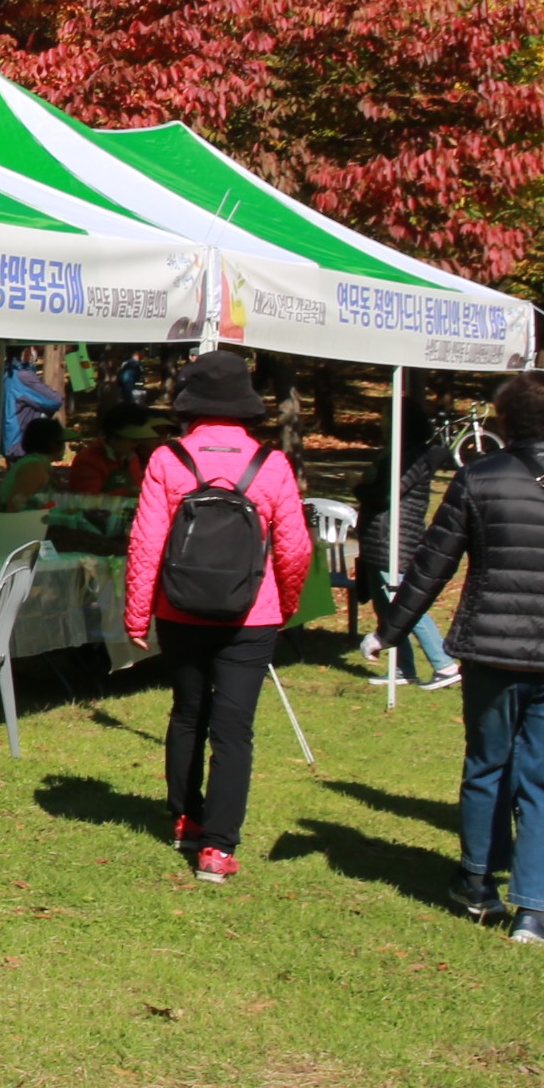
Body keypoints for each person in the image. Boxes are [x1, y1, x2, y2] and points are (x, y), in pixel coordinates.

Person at [374, 370, 544, 944]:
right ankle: (532, 911)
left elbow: (431, 563)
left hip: (492, 650)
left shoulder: (477, 478)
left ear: (507, 422)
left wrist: (391, 631)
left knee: (487, 766)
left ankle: (478, 881)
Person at [124, 350, 311, 887]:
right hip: (252, 614)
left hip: (180, 608)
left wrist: (137, 617)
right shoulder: (271, 464)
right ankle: (218, 848)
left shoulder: (168, 459)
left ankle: (186, 816)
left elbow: (145, 545)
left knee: (187, 714)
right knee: (234, 730)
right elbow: (296, 549)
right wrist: (287, 604)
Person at [355, 395, 457, 687]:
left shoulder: (413, 456)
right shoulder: (393, 452)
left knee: (403, 603)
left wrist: (359, 486)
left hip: (395, 538)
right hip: (378, 537)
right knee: (384, 606)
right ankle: (404, 667)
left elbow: (387, 494)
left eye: (387, 415)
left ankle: (444, 665)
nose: (382, 421)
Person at [64, 402, 158, 497]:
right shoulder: (88, 460)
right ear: (114, 436)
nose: (137, 444)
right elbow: (87, 500)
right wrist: (127, 493)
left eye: (138, 439)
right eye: (132, 439)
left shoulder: (132, 458)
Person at [0, 346, 64, 470]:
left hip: (11, 442)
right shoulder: (23, 376)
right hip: (21, 444)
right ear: (25, 352)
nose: (35, 352)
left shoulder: (9, 372)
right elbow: (54, 400)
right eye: (31, 348)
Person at [0, 414, 66, 510]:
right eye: (62, 441)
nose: (64, 446)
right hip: (7, 523)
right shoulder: (35, 468)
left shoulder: (37, 463)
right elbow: (14, 506)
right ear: (53, 444)